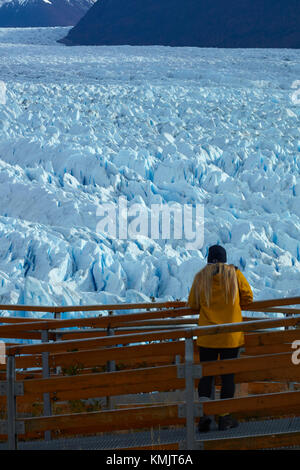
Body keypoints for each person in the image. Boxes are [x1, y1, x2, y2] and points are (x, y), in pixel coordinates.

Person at [187, 244, 253, 432]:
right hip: (230, 336)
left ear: (209, 259)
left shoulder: (201, 277)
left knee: (206, 376)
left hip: (208, 336)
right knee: (227, 376)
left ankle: (205, 416)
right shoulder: (234, 274)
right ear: (225, 258)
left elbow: (192, 303)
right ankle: (225, 418)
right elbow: (248, 297)